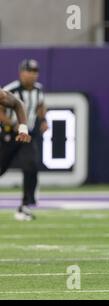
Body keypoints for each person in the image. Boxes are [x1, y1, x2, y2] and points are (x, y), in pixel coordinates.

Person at [0, 59, 47, 221]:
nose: (33, 75)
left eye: (35, 72)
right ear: (21, 72)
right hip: (7, 135)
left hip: (24, 133)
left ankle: (25, 205)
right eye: (29, 71)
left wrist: (23, 126)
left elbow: (19, 104)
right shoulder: (12, 88)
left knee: (31, 165)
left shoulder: (38, 90)